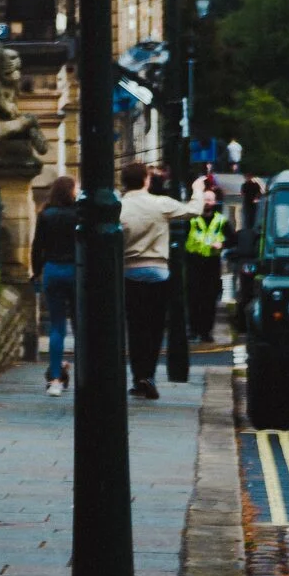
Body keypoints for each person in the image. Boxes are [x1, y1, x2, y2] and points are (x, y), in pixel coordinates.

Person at [119, 160, 208, 398]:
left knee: (135, 328)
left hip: (130, 272)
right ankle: (149, 375)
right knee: (155, 327)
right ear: (146, 180)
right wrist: (197, 190)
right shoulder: (160, 203)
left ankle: (138, 377)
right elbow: (193, 211)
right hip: (158, 272)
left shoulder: (119, 207)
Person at [33, 175, 80, 395]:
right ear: (70, 191)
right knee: (81, 326)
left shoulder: (45, 214)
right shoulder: (79, 214)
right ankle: (85, 375)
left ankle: (54, 379)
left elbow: (37, 247)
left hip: (52, 270)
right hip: (76, 270)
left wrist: (36, 272)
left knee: (57, 326)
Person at [184, 190, 230, 341]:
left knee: (210, 299)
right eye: (205, 199)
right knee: (193, 298)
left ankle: (206, 332)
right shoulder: (191, 219)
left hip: (212, 263)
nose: (207, 202)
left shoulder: (221, 220)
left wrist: (222, 244)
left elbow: (233, 239)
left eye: (210, 200)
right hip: (194, 262)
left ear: (215, 202)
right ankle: (193, 330)